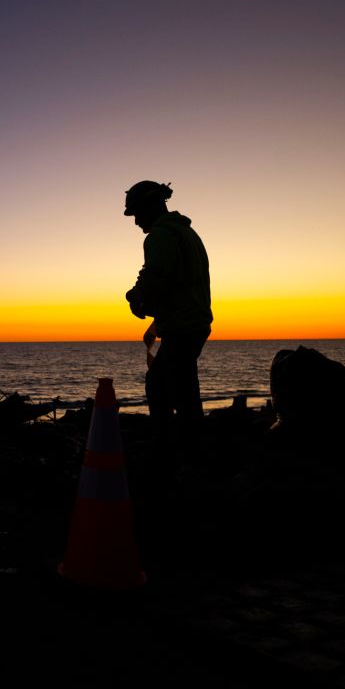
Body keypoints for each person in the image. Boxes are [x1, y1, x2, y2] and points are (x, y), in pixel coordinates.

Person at [123, 180, 212, 472]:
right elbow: (161, 274)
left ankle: (165, 454)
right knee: (185, 389)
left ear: (151, 205)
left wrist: (137, 299)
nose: (135, 221)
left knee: (159, 385)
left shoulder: (160, 236)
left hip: (182, 326)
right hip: (195, 323)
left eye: (136, 213)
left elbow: (157, 278)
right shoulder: (185, 232)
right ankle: (193, 450)